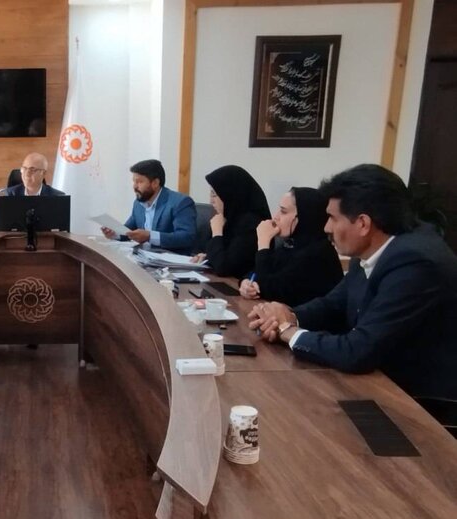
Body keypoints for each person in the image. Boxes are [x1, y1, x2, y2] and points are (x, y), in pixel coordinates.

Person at [248, 165, 457, 427]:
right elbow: (334, 304)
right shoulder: (375, 248)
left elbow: (358, 350)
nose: (326, 227)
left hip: (424, 409)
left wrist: (288, 332)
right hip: (381, 385)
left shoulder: (415, 262)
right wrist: (288, 315)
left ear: (362, 223)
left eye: (332, 218)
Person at [238, 188, 342, 306]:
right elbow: (259, 271)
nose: (276, 217)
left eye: (283, 211)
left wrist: (263, 243)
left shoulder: (317, 253)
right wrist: (246, 282)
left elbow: (268, 288)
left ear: (303, 216)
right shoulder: (291, 244)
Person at [101, 159, 197, 254]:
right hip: (143, 257)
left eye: (139, 182)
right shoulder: (138, 203)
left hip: (169, 260)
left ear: (155, 183)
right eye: (134, 181)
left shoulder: (180, 202)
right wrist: (115, 234)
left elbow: (186, 237)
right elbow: (129, 230)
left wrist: (150, 236)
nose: (134, 186)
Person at [192, 165, 270, 278]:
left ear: (230, 194)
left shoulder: (252, 226)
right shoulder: (229, 218)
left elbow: (224, 267)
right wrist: (207, 257)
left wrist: (217, 233)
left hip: (239, 286)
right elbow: (220, 256)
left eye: (214, 195)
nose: (211, 201)